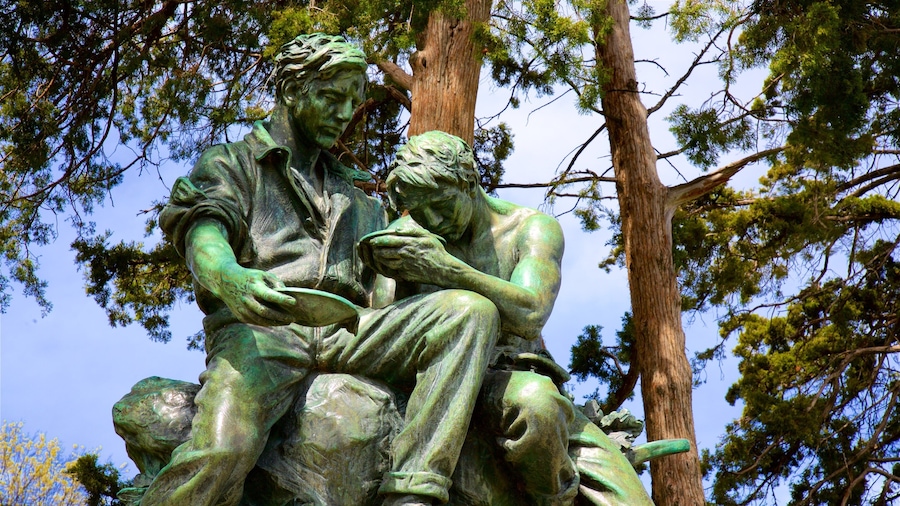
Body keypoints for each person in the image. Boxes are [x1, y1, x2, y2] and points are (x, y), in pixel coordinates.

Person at [145, 35, 498, 506]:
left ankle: (413, 490)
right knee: (220, 452)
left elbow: (389, 290)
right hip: (264, 331)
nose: (345, 113)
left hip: (349, 329)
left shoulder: (357, 195)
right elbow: (203, 235)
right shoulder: (233, 163)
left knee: (468, 311)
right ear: (293, 91)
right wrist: (231, 277)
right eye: (332, 97)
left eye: (353, 101)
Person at [361, 130, 654, 506]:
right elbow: (388, 327)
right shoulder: (405, 238)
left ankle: (555, 499)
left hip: (508, 377)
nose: (432, 220)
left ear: (469, 183)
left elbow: (531, 313)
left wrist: (445, 270)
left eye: (441, 204)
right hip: (436, 375)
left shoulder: (531, 229)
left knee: (544, 411)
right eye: (419, 211)